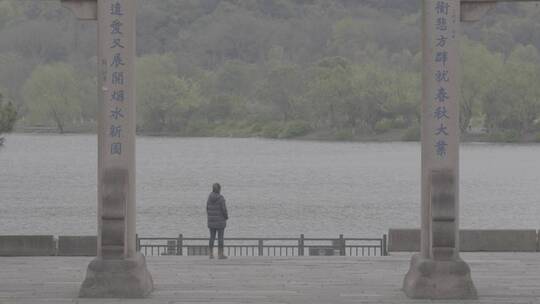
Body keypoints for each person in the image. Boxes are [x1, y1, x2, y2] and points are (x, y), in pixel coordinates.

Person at [206, 183, 228, 259]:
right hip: (220, 221)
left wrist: (210, 218)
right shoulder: (221, 198)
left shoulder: (209, 197)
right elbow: (224, 210)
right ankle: (220, 254)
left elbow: (207, 209)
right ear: (219, 189)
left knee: (212, 237)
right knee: (220, 238)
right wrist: (226, 217)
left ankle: (210, 254)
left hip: (211, 221)